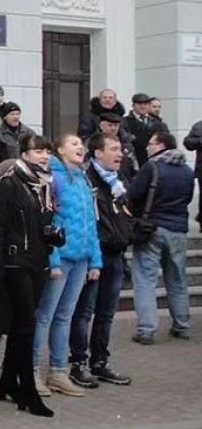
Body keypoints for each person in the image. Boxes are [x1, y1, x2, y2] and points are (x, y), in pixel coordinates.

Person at [0, 135, 56, 418]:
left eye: (47, 152)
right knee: (26, 326)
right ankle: (27, 390)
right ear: (25, 154)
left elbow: (40, 223)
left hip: (36, 261)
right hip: (15, 263)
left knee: (20, 327)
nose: (44, 156)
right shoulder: (10, 183)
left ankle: (8, 381)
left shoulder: (42, 185)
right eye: (38, 151)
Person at [33, 134, 103, 398]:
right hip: (61, 258)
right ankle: (32, 372)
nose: (80, 148)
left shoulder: (84, 179)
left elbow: (90, 222)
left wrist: (95, 259)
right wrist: (52, 259)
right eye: (73, 144)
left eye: (80, 144)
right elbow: (49, 221)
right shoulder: (54, 178)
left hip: (81, 258)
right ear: (60, 149)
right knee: (45, 316)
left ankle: (58, 372)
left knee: (65, 316)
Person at [68, 133, 134, 387]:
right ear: (97, 153)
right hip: (93, 255)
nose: (120, 154)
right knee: (84, 312)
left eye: (121, 149)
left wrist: (130, 230)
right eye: (114, 149)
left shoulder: (118, 182)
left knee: (106, 313)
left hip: (115, 255)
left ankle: (100, 361)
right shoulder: (86, 180)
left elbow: (126, 213)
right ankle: (78, 362)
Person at [128, 129, 194, 344]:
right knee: (177, 279)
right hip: (179, 230)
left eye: (151, 143)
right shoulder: (186, 170)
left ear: (161, 146)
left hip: (152, 228)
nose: (147, 147)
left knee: (145, 280)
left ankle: (147, 329)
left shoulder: (152, 167)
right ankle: (181, 325)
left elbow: (133, 194)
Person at [123, 93, 168, 166]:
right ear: (133, 105)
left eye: (146, 104)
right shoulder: (125, 121)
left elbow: (166, 142)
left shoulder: (158, 123)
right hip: (134, 162)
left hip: (154, 162)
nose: (143, 106)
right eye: (139, 104)